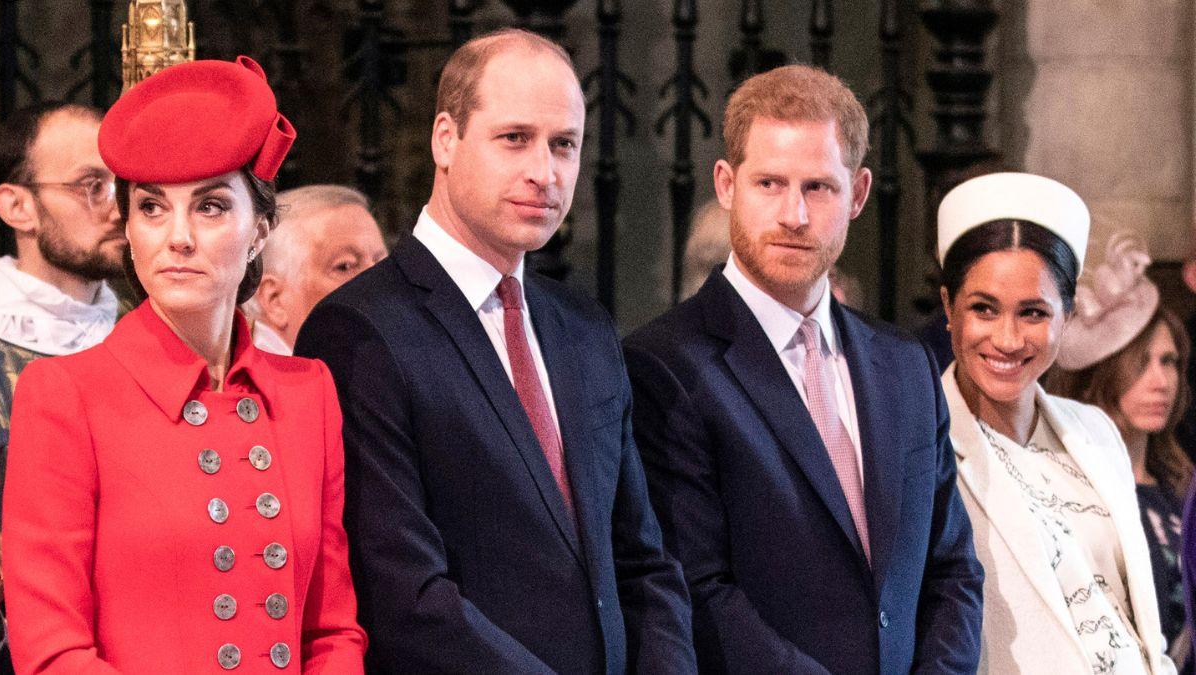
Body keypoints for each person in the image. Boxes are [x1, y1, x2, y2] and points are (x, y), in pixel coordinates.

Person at [295, 29, 695, 673]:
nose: (545, 172)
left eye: (564, 144)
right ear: (445, 139)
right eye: (515, 138)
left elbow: (644, 562)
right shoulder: (359, 329)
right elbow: (404, 594)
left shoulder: (586, 329)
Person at [3, 56, 367, 672]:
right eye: (151, 208)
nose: (177, 237)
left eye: (211, 207)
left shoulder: (308, 392)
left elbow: (331, 630)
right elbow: (51, 650)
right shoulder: (64, 395)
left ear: (259, 231)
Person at [623, 64, 983, 673]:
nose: (794, 214)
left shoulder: (904, 366)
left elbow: (951, 568)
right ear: (726, 183)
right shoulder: (663, 366)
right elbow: (697, 590)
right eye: (770, 183)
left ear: (859, 194)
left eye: (818, 187)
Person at [936, 172, 1173, 673]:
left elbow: (1135, 616)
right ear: (948, 308)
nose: (1007, 338)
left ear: (1066, 316)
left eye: (1033, 313)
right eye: (983, 308)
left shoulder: (1096, 430)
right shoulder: (918, 444)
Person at [1050, 232, 1193, 672]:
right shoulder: (1070, 489)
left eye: (1168, 361)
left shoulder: (1182, 486)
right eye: (1141, 362)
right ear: (1103, 373)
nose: (1160, 381)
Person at [0, 103, 124, 526]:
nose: (119, 210)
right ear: (18, 207)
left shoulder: (151, 330)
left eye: (122, 186)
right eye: (91, 186)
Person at [242, 184, 387, 355]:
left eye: (382, 263)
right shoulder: (251, 380)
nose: (379, 282)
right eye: (345, 266)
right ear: (274, 300)